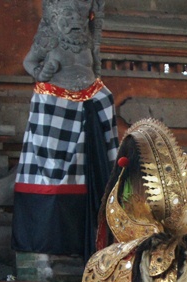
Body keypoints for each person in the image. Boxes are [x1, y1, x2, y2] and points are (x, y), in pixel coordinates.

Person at [12, 0, 117, 261]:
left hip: (90, 102)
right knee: (55, 174)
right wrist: (41, 71)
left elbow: (96, 69)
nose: (74, 23)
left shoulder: (88, 43)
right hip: (57, 104)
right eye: (68, 18)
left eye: (78, 18)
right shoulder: (49, 43)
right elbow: (29, 63)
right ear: (56, 20)